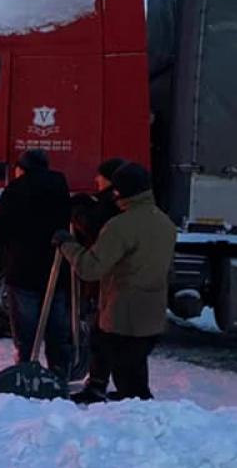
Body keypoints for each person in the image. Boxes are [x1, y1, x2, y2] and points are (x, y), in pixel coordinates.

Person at [55, 162, 177, 403]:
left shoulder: (120, 226)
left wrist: (66, 244)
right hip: (151, 311)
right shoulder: (165, 223)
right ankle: (103, 390)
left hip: (123, 313)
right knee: (133, 366)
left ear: (121, 192)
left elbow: (91, 268)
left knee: (130, 388)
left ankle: (136, 423)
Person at [0, 149, 73, 376]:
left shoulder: (15, 189)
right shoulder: (60, 185)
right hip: (55, 266)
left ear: (22, 168)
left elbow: (1, 229)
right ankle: (60, 370)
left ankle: (25, 368)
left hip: (24, 268)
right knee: (56, 325)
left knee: (26, 328)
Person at [69, 157, 126, 395]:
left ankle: (98, 384)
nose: (95, 179)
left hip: (105, 280)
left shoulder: (110, 206)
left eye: (100, 176)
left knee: (102, 335)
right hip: (114, 280)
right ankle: (105, 383)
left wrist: (79, 210)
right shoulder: (120, 204)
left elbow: (93, 226)